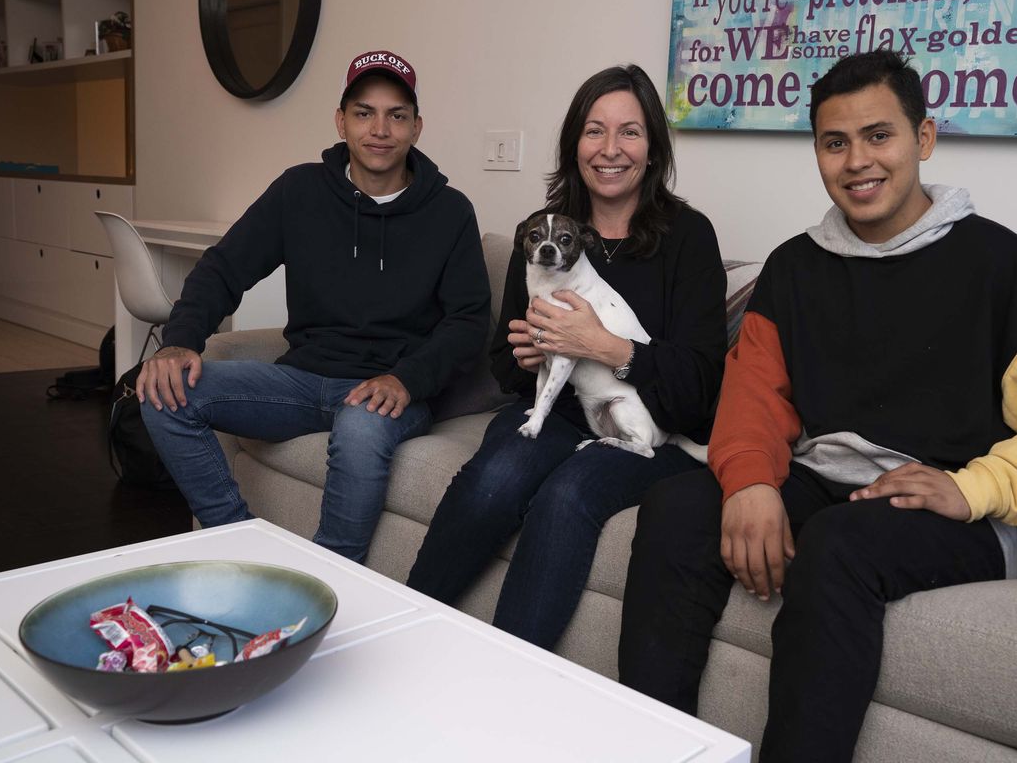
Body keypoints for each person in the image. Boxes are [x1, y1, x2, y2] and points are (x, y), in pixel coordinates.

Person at [617, 50, 1017, 762]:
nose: (857, 160)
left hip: (950, 505)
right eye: (834, 143)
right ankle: (655, 749)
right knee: (678, 507)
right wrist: (753, 483)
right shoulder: (795, 267)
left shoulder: (997, 262)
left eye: (878, 136)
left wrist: (972, 486)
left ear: (923, 138)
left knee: (836, 547)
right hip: (826, 480)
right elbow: (753, 394)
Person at [406, 64, 727, 650]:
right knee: (496, 478)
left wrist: (605, 347)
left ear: (653, 147)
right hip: (555, 413)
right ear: (574, 143)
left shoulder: (689, 238)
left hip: (648, 426)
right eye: (594, 131)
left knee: (568, 494)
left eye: (629, 132)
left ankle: (510, 684)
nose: (610, 149)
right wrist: (527, 355)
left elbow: (700, 383)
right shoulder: (543, 235)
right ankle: (404, 637)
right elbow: (506, 367)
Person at [138, 50, 490, 564]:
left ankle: (331, 579)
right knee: (160, 394)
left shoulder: (450, 211)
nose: (380, 129)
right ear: (341, 121)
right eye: (364, 112)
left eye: (396, 115)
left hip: (388, 390)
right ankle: (243, 546)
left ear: (417, 128)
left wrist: (407, 380)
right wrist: (179, 342)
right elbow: (223, 268)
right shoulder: (299, 191)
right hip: (301, 382)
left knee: (361, 427)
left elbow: (468, 321)